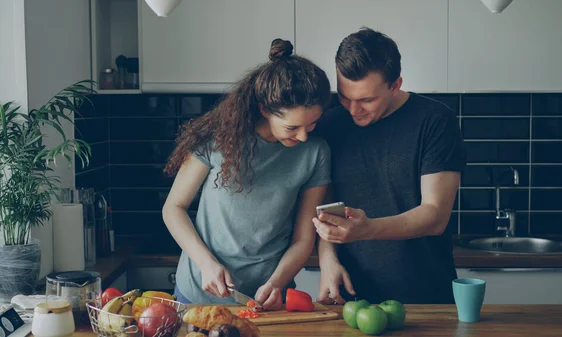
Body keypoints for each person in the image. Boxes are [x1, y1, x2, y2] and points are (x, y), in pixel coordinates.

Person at [162, 38, 332, 310]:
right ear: (265, 109)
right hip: (198, 294)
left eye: (311, 125)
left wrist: (277, 283)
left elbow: (303, 239)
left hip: (269, 299)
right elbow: (173, 208)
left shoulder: (316, 153)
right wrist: (206, 264)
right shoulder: (218, 140)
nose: (302, 136)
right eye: (292, 128)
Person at [312, 27, 466, 305]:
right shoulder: (329, 123)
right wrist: (327, 260)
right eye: (345, 96)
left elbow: (435, 215)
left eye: (367, 100)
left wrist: (367, 228)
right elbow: (327, 208)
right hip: (350, 300)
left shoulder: (435, 120)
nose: (353, 109)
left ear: (395, 85)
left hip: (425, 296)